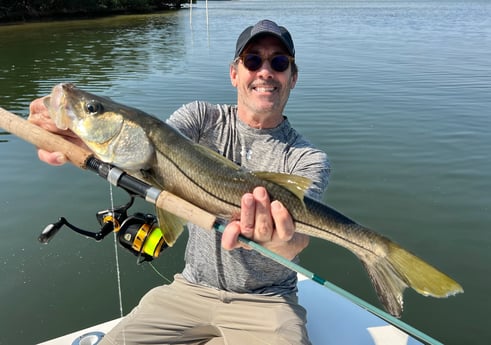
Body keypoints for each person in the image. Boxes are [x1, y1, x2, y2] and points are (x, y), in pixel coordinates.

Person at [29, 19, 330, 345]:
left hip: (268, 300)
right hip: (189, 289)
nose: (265, 72)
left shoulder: (308, 159)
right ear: (234, 73)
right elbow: (146, 154)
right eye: (253, 60)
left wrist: (276, 240)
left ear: (293, 77)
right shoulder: (200, 118)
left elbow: (296, 240)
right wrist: (73, 141)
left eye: (279, 62)